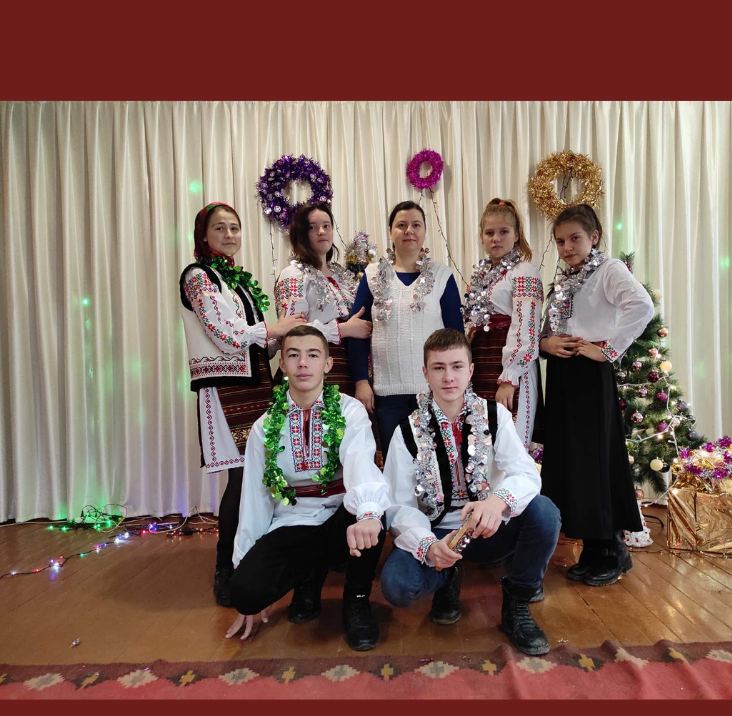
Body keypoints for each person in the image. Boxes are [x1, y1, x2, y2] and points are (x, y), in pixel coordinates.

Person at [380, 329, 561, 656]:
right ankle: (446, 574)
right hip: (438, 533)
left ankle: (517, 600)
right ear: (425, 373)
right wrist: (428, 546)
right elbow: (397, 504)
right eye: (438, 368)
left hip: (489, 527)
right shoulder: (407, 431)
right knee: (398, 586)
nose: (448, 377)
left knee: (544, 512)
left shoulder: (495, 416)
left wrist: (497, 501)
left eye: (457, 366)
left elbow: (525, 473)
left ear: (471, 370)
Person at [225, 326, 391, 651]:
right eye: (293, 355)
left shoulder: (349, 410)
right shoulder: (264, 426)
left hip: (341, 518)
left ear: (327, 364)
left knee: (370, 511)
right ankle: (308, 579)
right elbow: (255, 500)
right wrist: (244, 564)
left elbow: (360, 464)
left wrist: (370, 513)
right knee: (244, 593)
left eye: (312, 355)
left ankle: (357, 599)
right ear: (283, 364)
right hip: (293, 521)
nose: (303, 363)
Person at [178, 202, 306, 607]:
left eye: (234, 228)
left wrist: (283, 337)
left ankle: (254, 558)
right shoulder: (198, 276)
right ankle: (225, 567)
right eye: (220, 228)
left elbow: (254, 343)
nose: (229, 234)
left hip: (255, 383)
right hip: (224, 386)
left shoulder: (236, 280)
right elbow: (224, 332)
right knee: (240, 477)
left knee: (260, 473)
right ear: (203, 234)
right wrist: (274, 328)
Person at [539, 204, 654, 586]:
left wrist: (607, 350)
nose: (567, 247)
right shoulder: (565, 279)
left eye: (575, 238)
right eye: (560, 241)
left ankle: (612, 549)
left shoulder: (608, 270)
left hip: (589, 375)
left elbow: (641, 306)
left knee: (595, 460)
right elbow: (549, 327)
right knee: (573, 462)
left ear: (594, 237)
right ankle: (591, 548)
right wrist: (547, 344)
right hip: (563, 375)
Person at [348, 201, 464, 455]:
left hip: (435, 391)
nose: (409, 230)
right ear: (391, 232)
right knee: (395, 464)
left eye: (416, 225)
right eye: (401, 225)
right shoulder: (372, 275)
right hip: (388, 393)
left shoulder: (442, 275)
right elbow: (357, 332)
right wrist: (361, 381)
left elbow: (456, 337)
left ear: (425, 232)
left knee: (436, 464)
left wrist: (457, 382)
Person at [463, 198, 545, 447]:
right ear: (482, 237)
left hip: (508, 367)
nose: (496, 238)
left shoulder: (524, 271)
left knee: (509, 439)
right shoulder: (481, 275)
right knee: (481, 440)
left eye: (503, 232)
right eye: (490, 233)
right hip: (481, 363)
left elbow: (526, 326)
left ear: (516, 235)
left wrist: (510, 378)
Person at [275, 202, 371, 397]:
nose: (321, 232)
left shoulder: (341, 274)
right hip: (313, 368)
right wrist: (344, 329)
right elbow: (292, 333)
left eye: (326, 226)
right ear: (301, 233)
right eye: (312, 227)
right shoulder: (293, 274)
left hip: (352, 367)